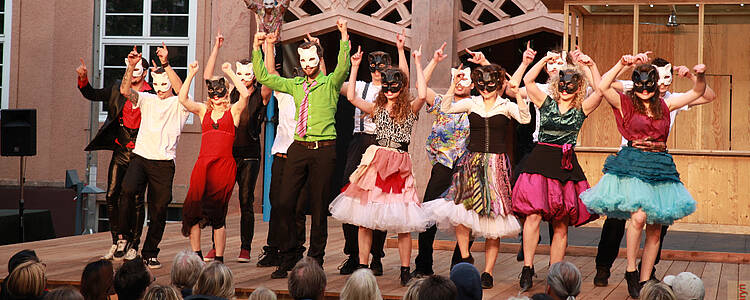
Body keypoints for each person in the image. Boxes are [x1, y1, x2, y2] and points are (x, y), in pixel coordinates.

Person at [581, 55, 705, 298]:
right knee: (637, 217)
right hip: (634, 161)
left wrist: (698, 75)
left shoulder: (667, 105)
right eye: (641, 86)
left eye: (650, 86)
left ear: (656, 84)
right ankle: (630, 270)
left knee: (656, 227)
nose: (646, 91)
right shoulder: (625, 103)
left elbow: (698, 91)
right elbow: (603, 86)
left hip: (660, 164)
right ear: (636, 85)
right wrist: (621, 64)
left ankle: (645, 278)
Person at [252, 18, 351, 278]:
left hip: (324, 148)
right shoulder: (295, 85)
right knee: (283, 202)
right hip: (299, 146)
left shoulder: (330, 83)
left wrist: (343, 35)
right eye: (303, 61)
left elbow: (344, 66)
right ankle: (290, 253)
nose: (307, 65)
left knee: (318, 206)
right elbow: (264, 76)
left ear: (318, 59)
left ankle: (315, 258)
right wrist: (257, 46)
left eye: (311, 60)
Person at [329, 45, 430, 286]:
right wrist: (354, 67)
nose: (391, 90)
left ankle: (405, 270)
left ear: (401, 87)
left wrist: (417, 63)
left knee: (403, 221)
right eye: (387, 86)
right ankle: (363, 266)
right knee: (366, 217)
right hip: (377, 161)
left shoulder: (409, 109)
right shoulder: (376, 109)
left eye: (395, 86)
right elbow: (352, 97)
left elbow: (424, 96)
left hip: (400, 164)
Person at [425, 62, 530, 289]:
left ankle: (488, 272)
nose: (484, 88)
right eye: (480, 83)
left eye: (489, 84)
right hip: (472, 162)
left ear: (498, 83)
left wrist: (518, 94)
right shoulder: (471, 103)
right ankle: (464, 256)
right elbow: (446, 108)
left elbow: (525, 119)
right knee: (461, 212)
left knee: (494, 219)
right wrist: (453, 87)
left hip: (496, 165)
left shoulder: (505, 105)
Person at [511, 50, 603, 291]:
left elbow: (601, 90)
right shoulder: (546, 103)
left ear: (578, 86)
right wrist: (543, 61)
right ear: (556, 84)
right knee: (533, 216)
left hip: (565, 166)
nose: (565, 88)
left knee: (561, 223)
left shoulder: (581, 109)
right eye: (562, 83)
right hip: (540, 161)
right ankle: (527, 268)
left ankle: (554, 274)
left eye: (571, 84)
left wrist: (590, 64)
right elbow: (528, 82)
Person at [336, 29, 409, 277]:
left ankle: (375, 256)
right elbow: (339, 85)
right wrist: (349, 57)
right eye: (374, 64)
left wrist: (401, 51)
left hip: (382, 144)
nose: (378, 69)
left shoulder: (394, 91)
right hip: (360, 143)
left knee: (381, 201)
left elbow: (406, 82)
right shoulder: (361, 85)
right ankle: (354, 255)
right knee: (351, 196)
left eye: (383, 65)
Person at [199, 31, 270, 263]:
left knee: (246, 200)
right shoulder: (227, 94)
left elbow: (268, 76)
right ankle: (215, 246)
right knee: (220, 199)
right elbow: (208, 77)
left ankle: (245, 247)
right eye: (239, 73)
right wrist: (217, 48)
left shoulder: (261, 93)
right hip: (227, 154)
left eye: (247, 74)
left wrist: (262, 47)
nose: (243, 77)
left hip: (249, 155)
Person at [116, 45, 187, 269]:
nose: (159, 88)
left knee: (159, 208)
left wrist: (166, 64)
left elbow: (180, 89)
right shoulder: (147, 99)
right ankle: (124, 238)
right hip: (141, 156)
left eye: (163, 83)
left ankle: (149, 252)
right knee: (126, 191)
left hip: (163, 163)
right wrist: (131, 66)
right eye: (156, 84)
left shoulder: (179, 103)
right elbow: (125, 92)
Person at [76, 55, 150, 261]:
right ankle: (118, 240)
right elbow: (92, 94)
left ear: (144, 72)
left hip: (141, 152)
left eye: (136, 69)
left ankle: (134, 243)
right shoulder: (118, 88)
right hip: (121, 149)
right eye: (129, 68)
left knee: (135, 198)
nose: (133, 73)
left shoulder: (151, 93)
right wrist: (83, 79)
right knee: (111, 195)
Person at [180, 57, 251, 263]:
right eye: (213, 93)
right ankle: (197, 256)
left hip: (223, 168)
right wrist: (191, 74)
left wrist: (230, 72)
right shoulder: (204, 111)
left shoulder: (233, 112)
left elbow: (245, 94)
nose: (217, 97)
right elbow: (183, 100)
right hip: (203, 166)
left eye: (221, 93)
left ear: (226, 92)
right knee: (193, 211)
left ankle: (219, 259)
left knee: (218, 215)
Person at [412, 46, 473, 278]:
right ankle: (423, 265)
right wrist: (434, 61)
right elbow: (420, 88)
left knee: (464, 218)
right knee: (429, 216)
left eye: (464, 78)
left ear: (473, 84)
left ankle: (460, 267)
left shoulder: (476, 106)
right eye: (456, 77)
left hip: (466, 167)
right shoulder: (440, 102)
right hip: (442, 166)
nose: (459, 82)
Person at [255, 33, 307, 269]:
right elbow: (269, 75)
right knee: (276, 203)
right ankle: (274, 248)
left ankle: (295, 250)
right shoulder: (285, 92)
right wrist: (269, 44)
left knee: (294, 207)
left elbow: (328, 77)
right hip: (281, 154)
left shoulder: (312, 94)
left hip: (301, 155)